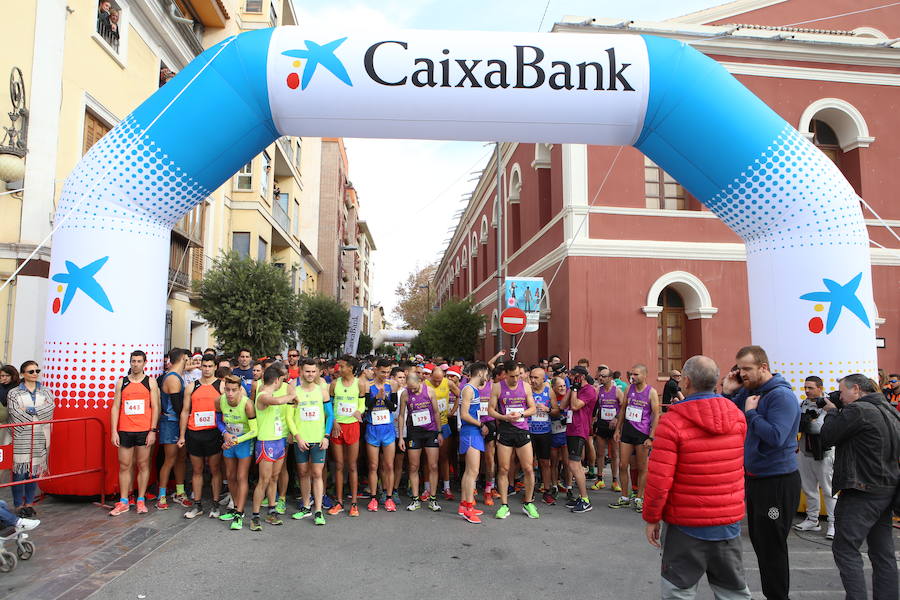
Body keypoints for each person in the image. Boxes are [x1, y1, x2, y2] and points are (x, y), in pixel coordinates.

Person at [643, 355, 751, 600]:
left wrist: (652, 517)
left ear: (687, 381)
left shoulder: (672, 421)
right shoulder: (736, 416)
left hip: (686, 524)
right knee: (733, 592)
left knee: (678, 593)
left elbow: (660, 479)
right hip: (727, 520)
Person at [722, 345, 800, 600]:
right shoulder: (748, 392)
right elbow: (726, 420)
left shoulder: (781, 396)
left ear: (764, 367)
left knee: (772, 545)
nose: (741, 374)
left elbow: (776, 436)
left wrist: (753, 413)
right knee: (760, 542)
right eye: (739, 368)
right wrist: (727, 393)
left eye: (747, 369)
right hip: (755, 479)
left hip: (777, 483)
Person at [821, 373, 900, 600]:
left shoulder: (859, 410)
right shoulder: (891, 410)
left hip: (862, 490)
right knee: (882, 553)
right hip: (887, 489)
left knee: (845, 549)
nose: (841, 398)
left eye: (843, 393)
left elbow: (827, 437)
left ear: (856, 389)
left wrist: (832, 412)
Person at [109, 350, 160, 516]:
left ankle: (140, 499)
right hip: (125, 430)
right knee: (124, 465)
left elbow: (155, 407)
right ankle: (124, 501)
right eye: (133, 361)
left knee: (143, 465)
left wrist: (152, 430)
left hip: (144, 430)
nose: (135, 364)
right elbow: (116, 407)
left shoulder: (150, 382)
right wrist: (114, 431)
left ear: (145, 363)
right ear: (130, 362)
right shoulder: (122, 382)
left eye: (139, 361)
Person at [489, 360, 539, 519]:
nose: (516, 379)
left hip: (522, 430)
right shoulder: (497, 387)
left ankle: (528, 503)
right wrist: (504, 417)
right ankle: (504, 505)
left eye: (518, 375)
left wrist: (521, 414)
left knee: (528, 468)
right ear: (505, 374)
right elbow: (490, 410)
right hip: (505, 431)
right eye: (512, 376)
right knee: (503, 469)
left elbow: (533, 408)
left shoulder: (525, 386)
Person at [177, 354, 224, 519]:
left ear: (215, 367)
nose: (207, 369)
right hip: (194, 432)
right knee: (197, 470)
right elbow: (184, 411)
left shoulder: (222, 386)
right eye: (204, 366)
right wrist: (182, 435)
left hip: (214, 433)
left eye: (210, 366)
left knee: (215, 470)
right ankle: (197, 505)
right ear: (200, 367)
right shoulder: (191, 386)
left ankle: (216, 504)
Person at [287, 358, 332, 526]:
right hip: (302, 440)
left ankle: (318, 510)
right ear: (301, 372)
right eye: (307, 371)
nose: (310, 374)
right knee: (303, 474)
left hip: (318, 440)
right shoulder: (295, 391)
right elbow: (289, 417)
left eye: (313, 371)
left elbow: (330, 416)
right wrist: (297, 436)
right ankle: (306, 506)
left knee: (317, 474)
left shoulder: (322, 391)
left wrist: (326, 436)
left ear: (318, 372)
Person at [610, 364, 660, 514]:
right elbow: (623, 409)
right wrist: (618, 429)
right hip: (627, 432)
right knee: (623, 465)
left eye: (636, 374)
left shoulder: (651, 392)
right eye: (632, 374)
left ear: (645, 375)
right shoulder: (628, 389)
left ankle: (639, 498)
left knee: (642, 467)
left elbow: (656, 415)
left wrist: (651, 436)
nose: (633, 377)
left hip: (642, 434)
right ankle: (625, 497)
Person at [7, 361, 55, 517]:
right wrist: (36, 415)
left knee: (34, 471)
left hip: (39, 434)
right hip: (21, 435)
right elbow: (14, 413)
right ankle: (18, 505)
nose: (35, 374)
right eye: (31, 371)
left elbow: (50, 408)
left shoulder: (46, 391)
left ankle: (29, 502)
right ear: (23, 374)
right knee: (19, 471)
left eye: (37, 371)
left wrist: (29, 410)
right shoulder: (14, 393)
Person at [250, 365, 294, 530]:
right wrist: (292, 394)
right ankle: (255, 516)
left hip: (278, 440)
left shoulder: (274, 392)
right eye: (281, 380)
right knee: (264, 480)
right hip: (266, 442)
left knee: (274, 478)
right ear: (276, 380)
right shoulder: (262, 395)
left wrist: (291, 398)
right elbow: (276, 401)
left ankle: (271, 511)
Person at [793, 376, 836, 539]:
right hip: (805, 451)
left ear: (820, 387)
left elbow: (818, 428)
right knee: (809, 488)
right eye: (805, 387)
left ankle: (833, 524)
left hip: (824, 452)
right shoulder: (804, 403)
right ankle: (812, 520)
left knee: (829, 490)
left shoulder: (829, 404)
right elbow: (799, 423)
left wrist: (803, 422)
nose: (807, 391)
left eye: (810, 388)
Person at [217, 374, 257, 530]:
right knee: (230, 476)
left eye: (234, 390)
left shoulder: (247, 404)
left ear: (240, 389)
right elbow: (218, 420)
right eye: (227, 390)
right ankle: (235, 508)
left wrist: (236, 440)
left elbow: (255, 430)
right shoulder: (220, 400)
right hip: (229, 441)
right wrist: (224, 434)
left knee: (241, 477)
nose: (230, 394)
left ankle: (239, 513)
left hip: (243, 443)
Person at [398, 372, 442, 512]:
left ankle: (433, 499)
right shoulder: (405, 394)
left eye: (415, 388)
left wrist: (439, 432)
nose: (412, 391)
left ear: (420, 382)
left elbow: (436, 412)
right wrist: (401, 437)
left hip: (430, 431)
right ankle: (415, 499)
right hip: (414, 433)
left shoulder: (429, 391)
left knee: (433, 465)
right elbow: (401, 416)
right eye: (410, 388)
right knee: (413, 466)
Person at [328, 355, 364, 517]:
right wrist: (333, 421)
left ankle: (354, 503)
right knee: (339, 465)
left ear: (350, 368)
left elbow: (362, 404)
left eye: (342, 367)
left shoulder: (360, 384)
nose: (339, 369)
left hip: (353, 427)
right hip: (337, 427)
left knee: (352, 465)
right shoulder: (334, 384)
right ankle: (339, 502)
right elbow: (329, 406)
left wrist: (359, 411)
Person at [560, 365, 598, 513]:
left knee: (575, 464)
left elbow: (575, 406)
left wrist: (575, 389)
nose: (569, 377)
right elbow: (564, 405)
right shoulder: (575, 388)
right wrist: (572, 389)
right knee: (573, 464)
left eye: (572, 375)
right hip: (570, 429)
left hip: (579, 429)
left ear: (580, 376)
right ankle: (581, 497)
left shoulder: (589, 390)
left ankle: (585, 499)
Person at [157, 348, 190, 509]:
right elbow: (178, 407)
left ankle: (180, 491)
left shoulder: (178, 376)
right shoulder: (173, 378)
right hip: (171, 422)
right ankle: (161, 496)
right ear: (183, 358)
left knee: (181, 458)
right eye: (187, 358)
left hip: (179, 423)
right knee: (169, 459)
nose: (189, 361)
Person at [364, 358, 398, 512]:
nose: (385, 375)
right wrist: (375, 399)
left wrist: (384, 398)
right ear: (376, 370)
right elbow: (366, 407)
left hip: (388, 429)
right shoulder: (368, 385)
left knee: (389, 465)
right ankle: (373, 498)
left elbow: (393, 407)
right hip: (373, 429)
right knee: (373, 466)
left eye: (388, 372)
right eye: (382, 371)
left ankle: (389, 497)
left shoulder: (392, 385)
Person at [457, 362, 489, 523]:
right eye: (487, 373)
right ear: (481, 373)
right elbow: (464, 415)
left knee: (469, 471)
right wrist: (481, 424)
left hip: (472, 432)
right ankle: (468, 508)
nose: (487, 377)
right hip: (470, 432)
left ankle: (464, 505)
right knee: (473, 472)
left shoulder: (471, 389)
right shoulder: (469, 389)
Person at [424, 363, 460, 501]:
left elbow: (459, 395)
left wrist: (453, 411)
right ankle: (427, 489)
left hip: (444, 424)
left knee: (444, 457)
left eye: (440, 380)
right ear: (431, 376)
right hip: (429, 425)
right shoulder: (425, 384)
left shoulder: (448, 383)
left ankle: (446, 487)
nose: (438, 382)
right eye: (435, 380)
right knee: (428, 459)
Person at [591, 366, 622, 492]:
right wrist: (593, 419)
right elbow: (594, 407)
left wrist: (616, 418)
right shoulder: (599, 390)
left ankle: (615, 481)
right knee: (600, 453)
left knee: (614, 454)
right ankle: (600, 479)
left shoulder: (617, 391)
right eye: (600, 376)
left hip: (613, 427)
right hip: (602, 425)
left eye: (604, 376)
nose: (601, 378)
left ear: (610, 378)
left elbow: (623, 407)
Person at [528, 367, 555, 505]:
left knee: (545, 462)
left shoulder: (549, 390)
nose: (532, 380)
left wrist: (547, 409)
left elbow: (556, 410)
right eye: (531, 377)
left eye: (536, 378)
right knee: (529, 464)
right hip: (529, 431)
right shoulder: (527, 390)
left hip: (544, 432)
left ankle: (547, 491)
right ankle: (530, 491)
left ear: (543, 378)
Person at [548, 376, 568, 502]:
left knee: (567, 463)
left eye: (564, 386)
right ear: (553, 387)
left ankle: (569, 487)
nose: (562, 388)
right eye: (560, 386)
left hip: (565, 433)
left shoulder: (568, 398)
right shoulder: (550, 399)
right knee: (554, 463)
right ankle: (554, 486)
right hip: (553, 433)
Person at [0, 365, 19, 483]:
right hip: (3, 423)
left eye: (7, 376)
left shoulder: (17, 389)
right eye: (2, 376)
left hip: (11, 424)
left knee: (4, 452)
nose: (4, 378)